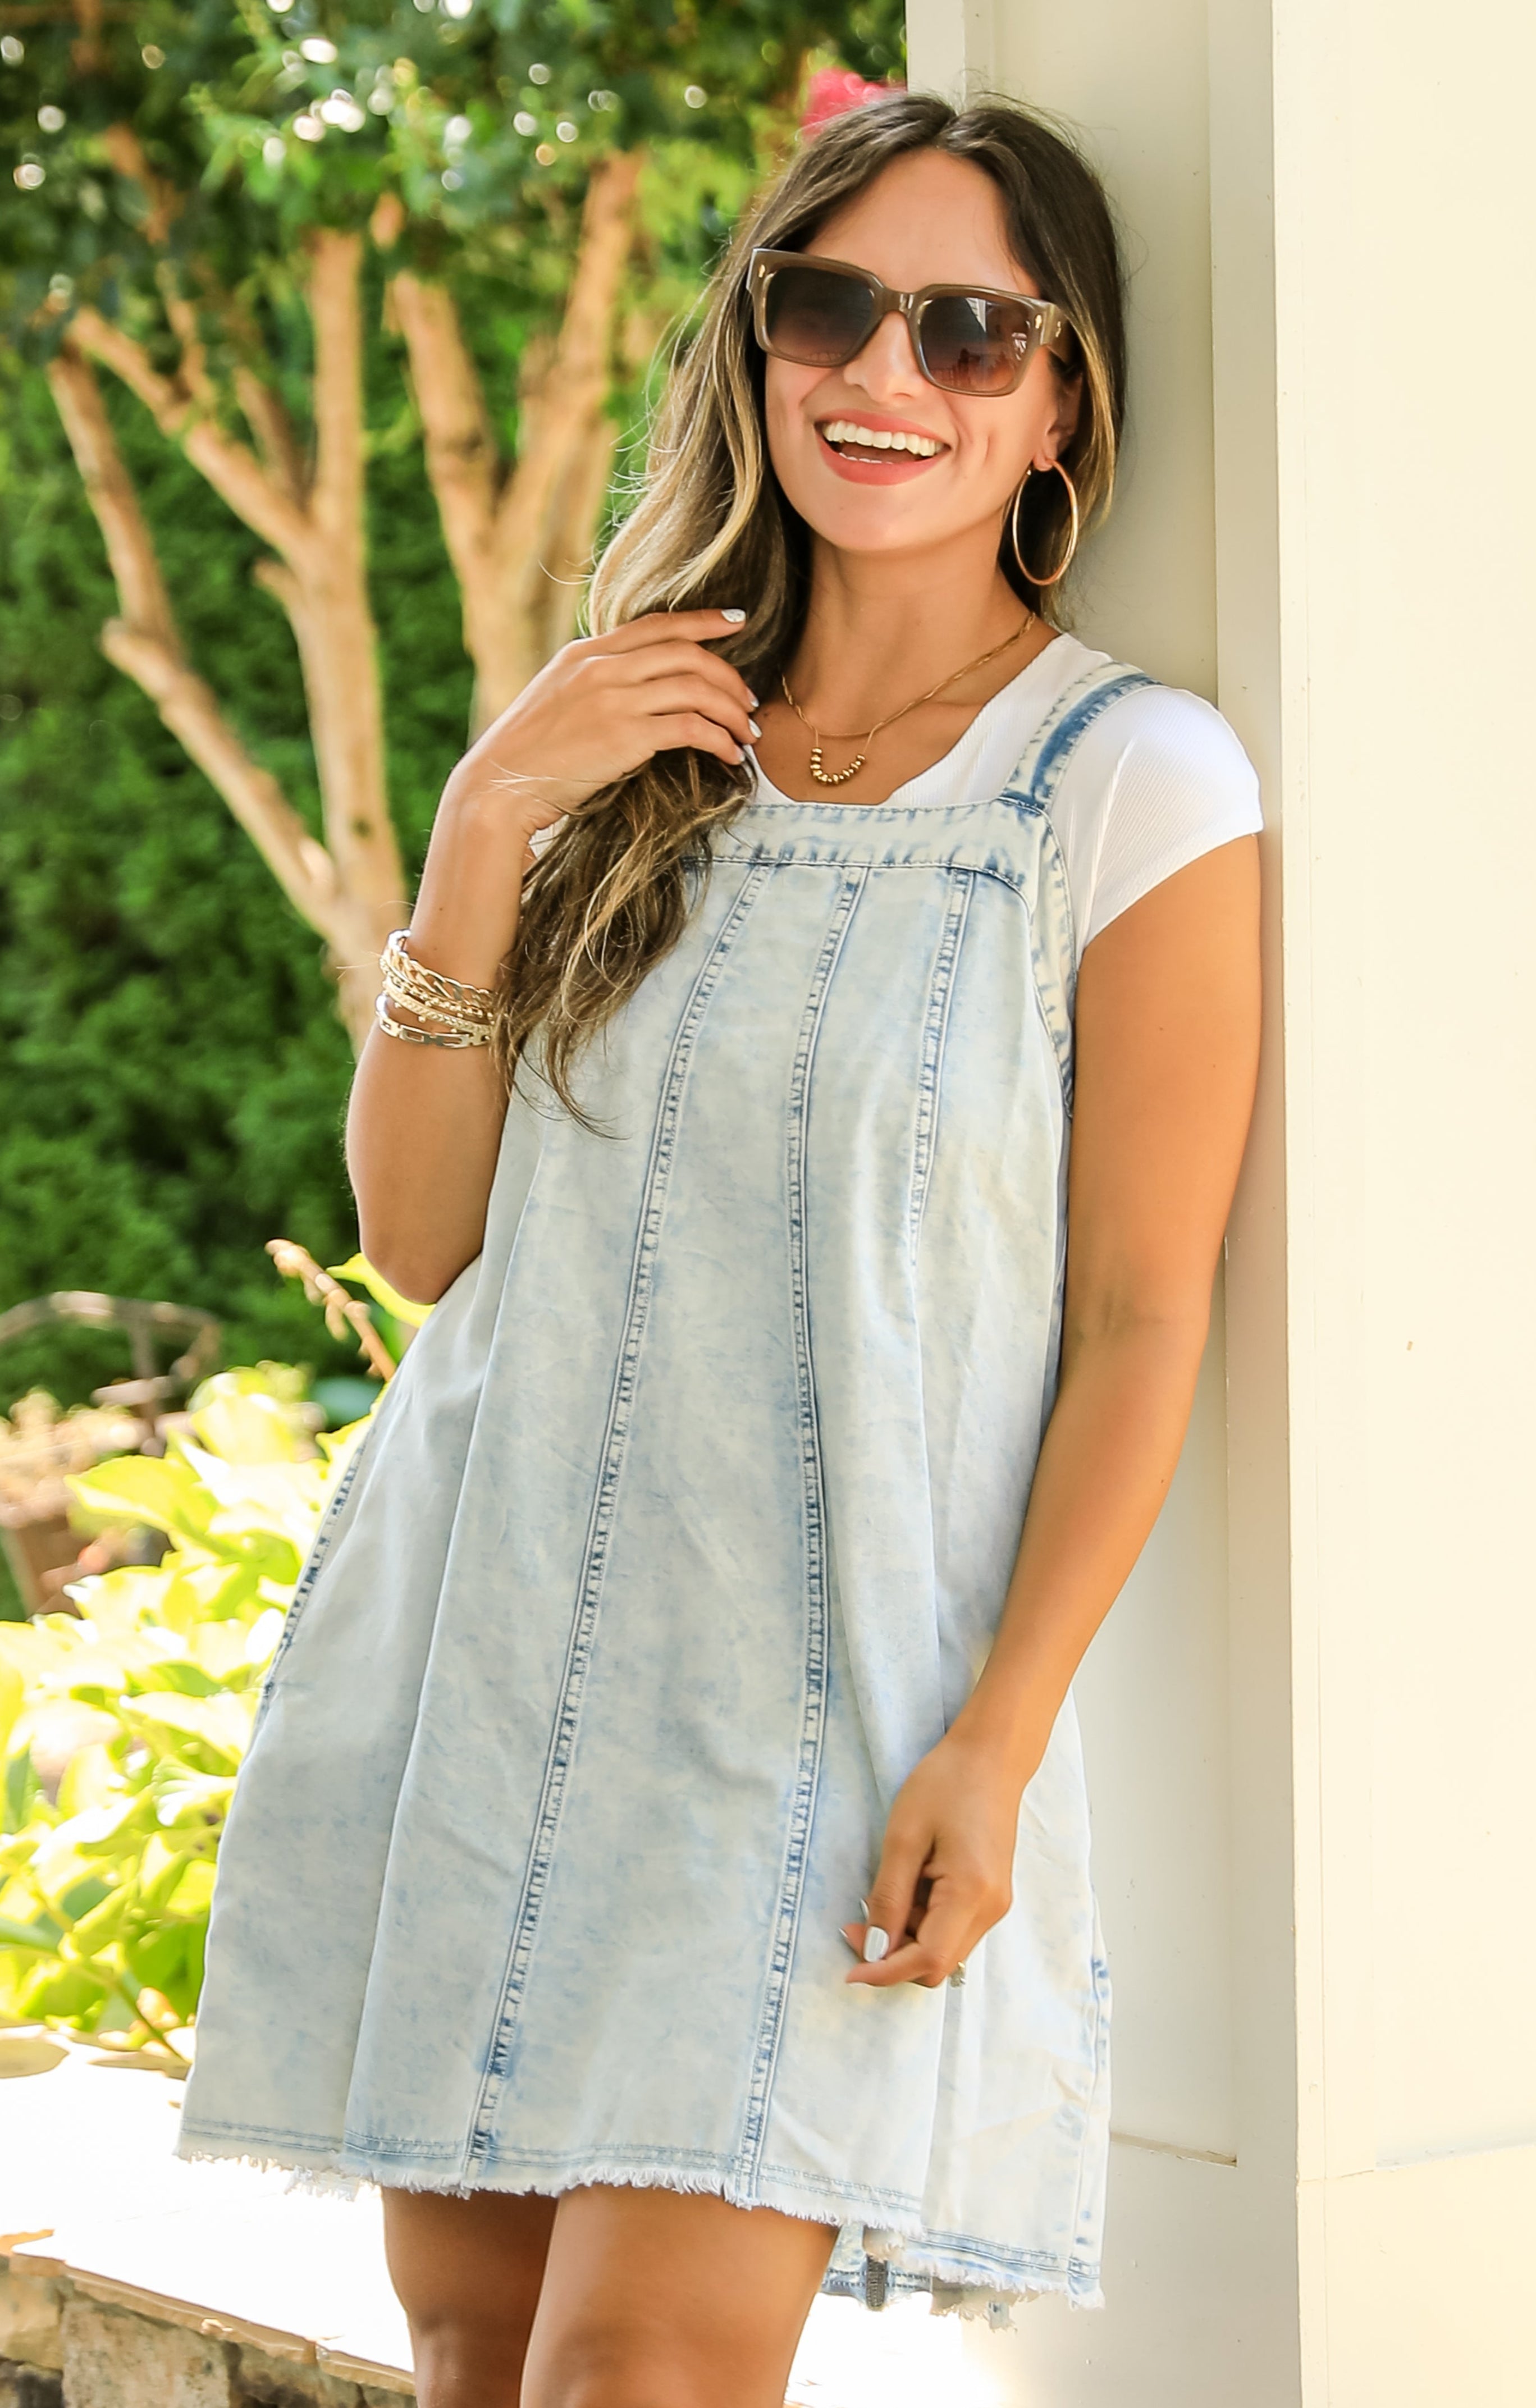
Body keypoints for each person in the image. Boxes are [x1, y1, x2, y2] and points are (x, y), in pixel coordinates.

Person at [179, 92, 1262, 2408]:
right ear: (758, 344)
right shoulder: (624, 738)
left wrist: (1000, 1726)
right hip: (477, 1646)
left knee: (636, 2372)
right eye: (831, 304)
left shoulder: (1125, 783)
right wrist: (488, 820)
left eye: (972, 328)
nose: (890, 374)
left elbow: (1142, 1309)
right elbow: (418, 1235)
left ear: (1060, 396)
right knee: (477, 2347)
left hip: (808, 1721)